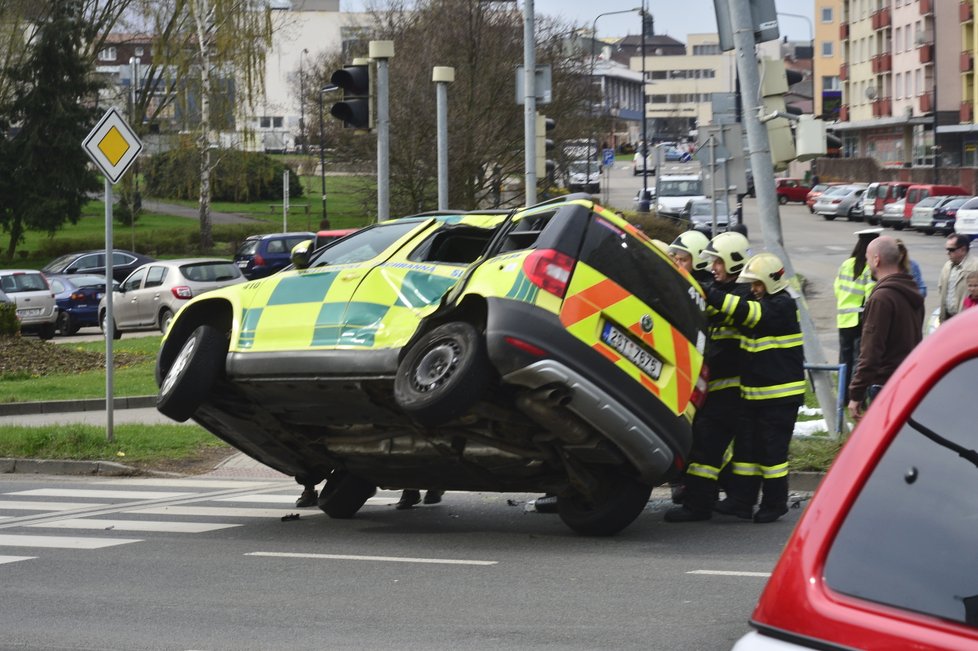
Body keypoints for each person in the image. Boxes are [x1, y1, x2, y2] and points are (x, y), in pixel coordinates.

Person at [705, 252, 805, 523]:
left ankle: (775, 504)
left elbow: (746, 312)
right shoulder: (760, 299)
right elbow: (730, 308)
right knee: (746, 452)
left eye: (757, 284)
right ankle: (741, 501)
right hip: (754, 395)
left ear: (771, 282)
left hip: (779, 398)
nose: (753, 289)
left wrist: (707, 292)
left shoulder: (781, 305)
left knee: (772, 456)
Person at [665, 231, 752, 522]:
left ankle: (698, 506)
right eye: (711, 262)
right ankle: (736, 496)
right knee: (711, 446)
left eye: (718, 262)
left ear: (732, 261)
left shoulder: (742, 295)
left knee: (705, 444)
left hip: (732, 388)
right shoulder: (719, 289)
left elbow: (720, 310)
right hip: (715, 386)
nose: (714, 267)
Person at [848, 236, 925, 422]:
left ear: (876, 259)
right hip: (908, 381)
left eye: (867, 258)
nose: (866, 263)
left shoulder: (881, 298)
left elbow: (871, 351)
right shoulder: (912, 291)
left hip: (885, 386)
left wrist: (856, 393)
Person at [833, 228, 879, 402]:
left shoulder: (847, 264)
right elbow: (870, 295)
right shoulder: (869, 268)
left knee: (844, 361)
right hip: (860, 319)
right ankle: (855, 397)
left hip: (844, 319)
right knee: (859, 361)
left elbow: (837, 288)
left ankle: (842, 397)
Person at [937, 234, 978, 323]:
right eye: (947, 249)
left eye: (951, 250)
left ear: (963, 249)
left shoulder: (975, 266)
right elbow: (941, 289)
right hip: (947, 319)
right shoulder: (947, 266)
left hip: (968, 322)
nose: (947, 253)